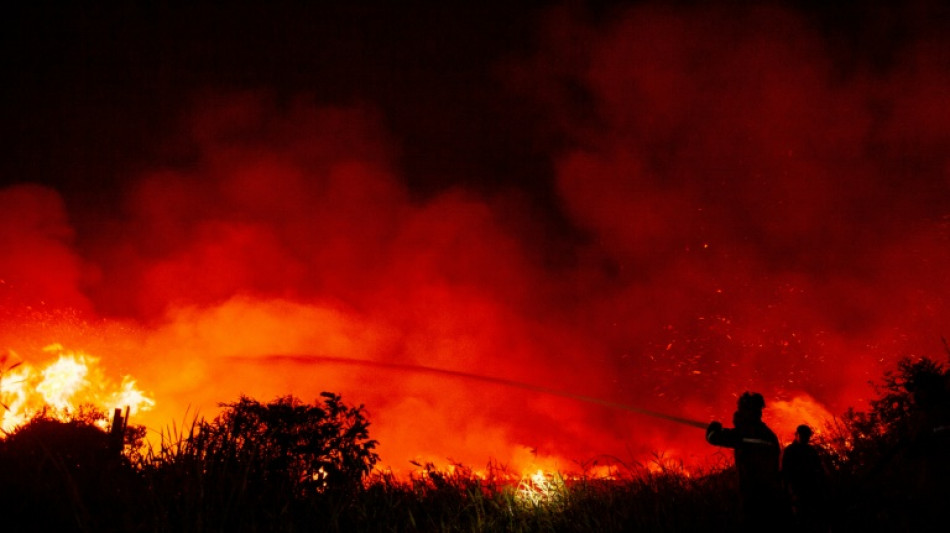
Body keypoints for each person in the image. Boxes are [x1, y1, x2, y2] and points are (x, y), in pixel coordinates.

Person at [707, 391, 787, 531]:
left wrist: (713, 430)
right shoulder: (767, 434)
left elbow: (716, 438)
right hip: (770, 495)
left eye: (741, 410)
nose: (738, 414)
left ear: (749, 411)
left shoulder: (750, 434)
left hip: (755, 497)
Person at [781, 424, 828, 531]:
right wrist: (787, 491)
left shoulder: (811, 451)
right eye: (803, 435)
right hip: (796, 490)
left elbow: (819, 469)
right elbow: (785, 472)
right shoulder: (790, 451)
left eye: (807, 436)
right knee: (799, 518)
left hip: (811, 490)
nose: (806, 438)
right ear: (796, 435)